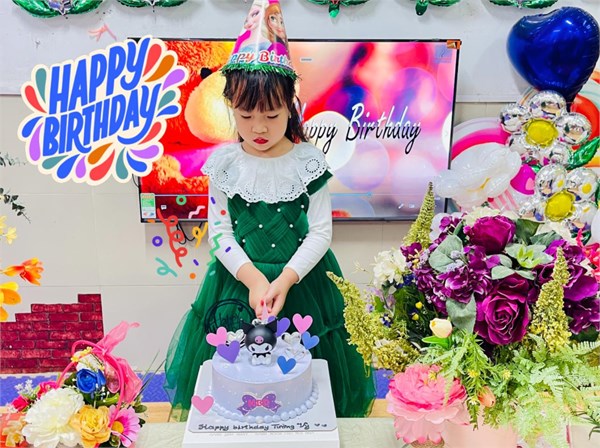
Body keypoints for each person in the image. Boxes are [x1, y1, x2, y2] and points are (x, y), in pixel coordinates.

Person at [164, 0, 375, 422]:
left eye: (272, 115)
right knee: (237, 383)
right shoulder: (224, 164)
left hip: (303, 283)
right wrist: (255, 279)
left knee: (305, 390)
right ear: (230, 106)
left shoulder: (308, 161)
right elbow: (220, 232)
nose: (258, 127)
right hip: (238, 284)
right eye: (245, 115)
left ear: (290, 105)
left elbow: (320, 232)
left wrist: (284, 278)